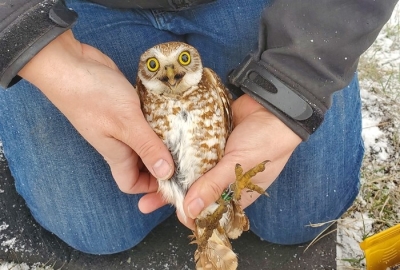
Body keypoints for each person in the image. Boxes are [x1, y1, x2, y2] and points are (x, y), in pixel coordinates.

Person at [0, 0, 397, 255]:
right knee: (96, 230)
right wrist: (41, 52)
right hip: (76, 8)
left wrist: (297, 82)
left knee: (304, 212)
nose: (170, 75)